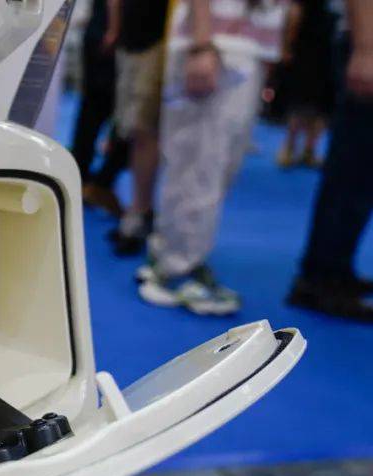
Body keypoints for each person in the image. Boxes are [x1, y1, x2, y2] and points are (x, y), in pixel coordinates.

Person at [137, 0, 287, 315]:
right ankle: (177, 270)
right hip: (218, 44)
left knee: (206, 163)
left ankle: (171, 255)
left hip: (235, 44)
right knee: (201, 164)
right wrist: (202, 44)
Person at [288, 0, 373, 321]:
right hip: (366, 43)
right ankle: (319, 278)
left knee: (361, 175)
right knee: (353, 170)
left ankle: (335, 268)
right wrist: (366, 49)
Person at [107, 0, 170, 255]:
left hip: (155, 42)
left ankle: (141, 212)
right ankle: (140, 209)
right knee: (133, 130)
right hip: (131, 40)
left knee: (144, 130)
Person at [69, 0, 129, 217]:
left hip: (106, 31)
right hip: (110, 34)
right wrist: (114, 29)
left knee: (93, 111)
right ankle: (93, 183)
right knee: (100, 111)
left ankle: (84, 180)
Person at [276, 0, 336, 168]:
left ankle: (310, 149)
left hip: (332, 50)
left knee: (323, 106)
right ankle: (289, 146)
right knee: (300, 101)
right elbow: (295, 11)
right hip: (307, 49)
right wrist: (287, 45)